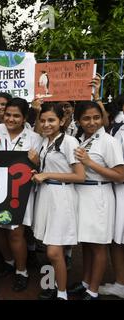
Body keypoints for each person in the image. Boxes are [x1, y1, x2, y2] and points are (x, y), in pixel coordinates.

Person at [68, 101, 124, 300]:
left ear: (102, 118)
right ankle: (85, 282)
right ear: (79, 121)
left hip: (99, 196)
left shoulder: (109, 141)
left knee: (99, 246)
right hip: (82, 195)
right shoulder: (80, 139)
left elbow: (120, 175)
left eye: (96, 117)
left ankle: (92, 291)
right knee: (86, 243)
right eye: (86, 118)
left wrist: (89, 163)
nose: (92, 122)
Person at [32, 103, 85, 300]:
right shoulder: (45, 142)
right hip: (46, 196)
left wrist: (46, 174)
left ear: (62, 121)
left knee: (54, 251)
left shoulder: (70, 142)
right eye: (43, 120)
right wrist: (38, 169)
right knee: (48, 247)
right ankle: (51, 286)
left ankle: (62, 294)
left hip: (61, 197)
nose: (46, 124)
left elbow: (80, 176)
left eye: (51, 120)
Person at [0, 97, 42, 295]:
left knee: (16, 232)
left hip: (19, 194)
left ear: (24, 118)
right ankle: (9, 262)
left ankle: (22, 272)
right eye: (8, 115)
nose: (11, 119)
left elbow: (40, 169)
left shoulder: (34, 138)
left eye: (16, 116)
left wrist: (36, 161)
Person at [99, 109, 124, 299]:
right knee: (117, 239)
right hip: (115, 190)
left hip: (118, 186)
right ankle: (120, 283)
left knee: (118, 238)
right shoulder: (117, 130)